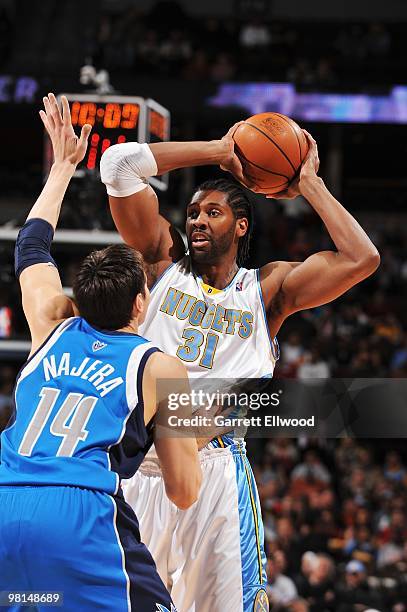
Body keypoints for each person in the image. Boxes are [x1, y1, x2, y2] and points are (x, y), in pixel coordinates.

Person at [100, 122, 380, 611]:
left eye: (213, 212)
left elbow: (362, 257)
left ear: (242, 225)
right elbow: (118, 166)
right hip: (134, 473)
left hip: (214, 475)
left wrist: (308, 182)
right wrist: (219, 151)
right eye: (192, 213)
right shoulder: (161, 263)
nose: (198, 221)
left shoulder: (266, 291)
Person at [0, 93, 202, 612]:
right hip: (80, 514)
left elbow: (31, 246)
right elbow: (182, 492)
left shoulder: (51, 321)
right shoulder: (159, 366)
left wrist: (64, 165)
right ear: (141, 303)